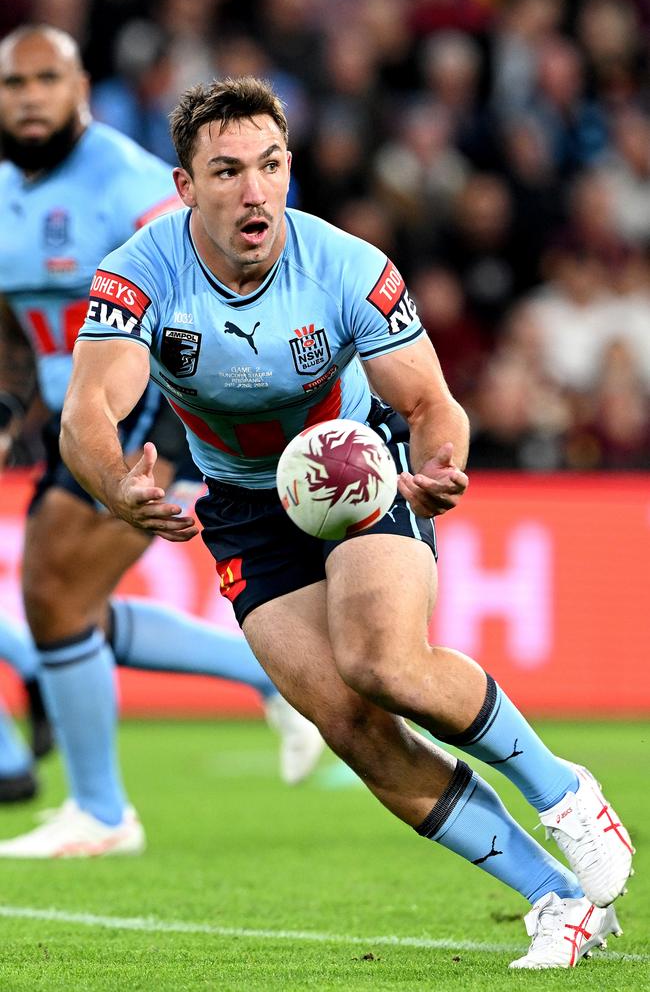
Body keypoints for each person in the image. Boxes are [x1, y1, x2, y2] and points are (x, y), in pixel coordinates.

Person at [59, 75, 633, 969]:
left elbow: (433, 403)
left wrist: (440, 465)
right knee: (352, 727)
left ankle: (566, 794)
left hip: (358, 474)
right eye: (227, 171)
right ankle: (554, 897)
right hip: (246, 506)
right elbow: (89, 410)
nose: (255, 191)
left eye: (271, 165)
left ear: (289, 168)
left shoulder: (347, 267)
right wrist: (113, 484)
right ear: (185, 188)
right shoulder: (139, 275)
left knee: (383, 662)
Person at [0, 27, 323, 855]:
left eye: (47, 79)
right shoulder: (5, 190)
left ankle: (104, 813)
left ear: (81, 89)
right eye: (13, 83)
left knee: (53, 590)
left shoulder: (130, 183)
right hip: (77, 416)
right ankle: (275, 676)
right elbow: (11, 326)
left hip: (149, 409)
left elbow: (205, 276)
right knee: (65, 607)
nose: (29, 97)